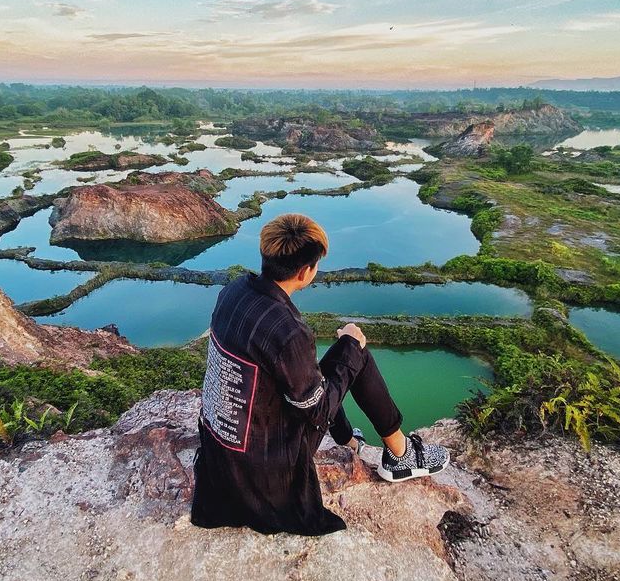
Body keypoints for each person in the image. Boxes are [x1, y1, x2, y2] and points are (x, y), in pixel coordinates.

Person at [190, 213, 449, 536]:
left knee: (319, 374)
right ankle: (401, 455)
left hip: (222, 454)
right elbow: (319, 411)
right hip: (265, 469)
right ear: (305, 272)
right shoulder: (288, 333)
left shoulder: (234, 291)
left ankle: (348, 441)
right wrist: (351, 347)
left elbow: (305, 384)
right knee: (356, 353)